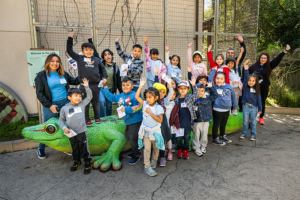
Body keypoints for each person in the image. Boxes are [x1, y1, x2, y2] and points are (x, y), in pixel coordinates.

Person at [34, 54, 80, 159]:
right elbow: (40, 94)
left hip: (65, 103)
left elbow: (74, 81)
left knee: (67, 125)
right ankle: (41, 148)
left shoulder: (63, 74)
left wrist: (82, 72)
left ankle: (67, 147)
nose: (55, 63)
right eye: (52, 61)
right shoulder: (41, 76)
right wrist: (49, 105)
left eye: (57, 61)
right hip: (51, 105)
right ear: (48, 62)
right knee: (49, 127)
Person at [67, 32, 108, 126]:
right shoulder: (79, 58)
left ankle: (97, 117)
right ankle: (87, 119)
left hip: (95, 85)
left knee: (96, 103)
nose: (89, 51)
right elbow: (69, 51)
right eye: (86, 50)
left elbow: (103, 69)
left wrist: (105, 77)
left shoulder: (97, 60)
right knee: (85, 103)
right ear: (82, 51)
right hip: (83, 86)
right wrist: (70, 38)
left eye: (90, 49)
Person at [102, 77, 143, 165]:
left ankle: (136, 155)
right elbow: (111, 97)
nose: (125, 87)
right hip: (127, 121)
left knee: (133, 138)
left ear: (132, 86)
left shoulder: (135, 95)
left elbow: (139, 106)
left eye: (127, 85)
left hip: (135, 121)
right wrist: (104, 87)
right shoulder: (121, 95)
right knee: (128, 137)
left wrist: (126, 109)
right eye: (123, 85)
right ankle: (133, 151)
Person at [249, 44, 290, 125]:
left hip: (264, 87)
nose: (263, 59)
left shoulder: (269, 66)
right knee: (252, 102)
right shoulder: (254, 66)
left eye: (265, 58)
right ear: (259, 58)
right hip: (254, 87)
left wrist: (284, 51)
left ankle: (261, 117)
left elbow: (277, 60)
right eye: (261, 57)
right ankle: (251, 118)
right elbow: (248, 74)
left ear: (267, 59)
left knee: (262, 102)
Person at [59, 78, 93, 174]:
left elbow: (89, 97)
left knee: (84, 148)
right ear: (69, 97)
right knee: (75, 148)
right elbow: (61, 120)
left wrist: (87, 87)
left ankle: (87, 163)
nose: (78, 98)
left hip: (81, 131)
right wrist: (64, 128)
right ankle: (77, 162)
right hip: (71, 132)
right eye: (76, 96)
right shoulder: (64, 108)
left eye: (79, 96)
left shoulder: (82, 104)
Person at [135, 78, 165, 177]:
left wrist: (151, 113)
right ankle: (147, 167)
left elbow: (160, 120)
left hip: (156, 131)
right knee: (147, 149)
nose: (147, 99)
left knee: (156, 147)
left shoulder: (159, 107)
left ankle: (154, 160)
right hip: (146, 132)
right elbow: (136, 97)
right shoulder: (145, 104)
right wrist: (140, 86)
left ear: (156, 98)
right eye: (146, 97)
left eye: (150, 97)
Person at [87, 38, 123, 118]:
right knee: (102, 102)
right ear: (103, 57)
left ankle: (108, 120)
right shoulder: (101, 64)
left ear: (111, 56)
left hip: (110, 89)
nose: (107, 56)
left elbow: (119, 81)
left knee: (109, 106)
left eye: (109, 54)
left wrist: (121, 93)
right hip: (101, 88)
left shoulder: (115, 67)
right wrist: (90, 41)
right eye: (105, 55)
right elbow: (95, 54)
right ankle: (102, 118)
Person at [208, 69, 238, 145]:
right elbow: (209, 79)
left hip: (227, 109)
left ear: (224, 79)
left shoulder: (229, 87)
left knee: (223, 124)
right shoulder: (214, 87)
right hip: (217, 109)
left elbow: (233, 97)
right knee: (216, 124)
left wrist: (235, 108)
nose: (219, 80)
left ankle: (222, 136)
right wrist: (214, 70)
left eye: (221, 79)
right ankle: (215, 139)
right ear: (215, 79)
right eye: (217, 78)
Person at [174, 77, 199, 159]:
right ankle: (180, 150)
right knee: (179, 139)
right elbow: (174, 112)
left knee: (187, 138)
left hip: (188, 123)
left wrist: (194, 85)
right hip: (179, 124)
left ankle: (185, 151)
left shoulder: (189, 98)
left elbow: (196, 95)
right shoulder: (176, 99)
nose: (183, 90)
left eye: (185, 88)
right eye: (181, 88)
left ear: (188, 90)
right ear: (178, 89)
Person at [193, 82, 218, 156]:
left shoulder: (208, 98)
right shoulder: (193, 99)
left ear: (204, 91)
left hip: (206, 120)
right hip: (196, 121)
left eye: (202, 90)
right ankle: (197, 147)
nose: (200, 92)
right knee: (196, 135)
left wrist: (211, 87)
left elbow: (215, 95)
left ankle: (203, 145)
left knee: (204, 134)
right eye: (198, 90)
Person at [153, 73, 173, 165]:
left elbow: (171, 93)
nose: (161, 93)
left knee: (163, 138)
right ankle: (154, 156)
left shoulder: (165, 100)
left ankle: (162, 156)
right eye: (159, 91)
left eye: (163, 92)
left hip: (163, 121)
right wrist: (156, 76)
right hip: (154, 121)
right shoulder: (152, 100)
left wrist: (169, 86)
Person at [240, 60, 262, 141]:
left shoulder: (257, 90)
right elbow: (245, 79)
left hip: (253, 108)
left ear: (256, 82)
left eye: (253, 81)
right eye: (250, 80)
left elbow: (259, 100)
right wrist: (246, 70)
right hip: (245, 106)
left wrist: (260, 109)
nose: (251, 82)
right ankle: (244, 133)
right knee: (245, 122)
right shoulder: (245, 88)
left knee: (253, 122)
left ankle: (253, 134)